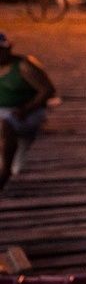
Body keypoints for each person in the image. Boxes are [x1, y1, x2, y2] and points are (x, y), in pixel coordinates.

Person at [0, 32, 56, 187]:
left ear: (8, 48)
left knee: (4, 123)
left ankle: (5, 172)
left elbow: (47, 90)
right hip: (4, 111)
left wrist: (26, 109)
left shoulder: (24, 65)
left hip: (27, 112)